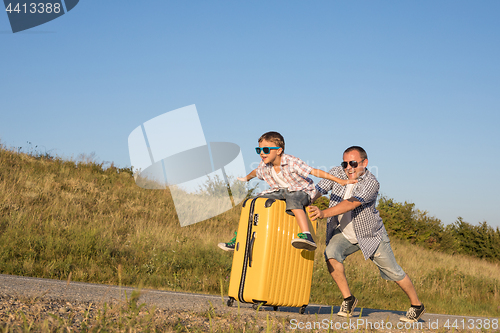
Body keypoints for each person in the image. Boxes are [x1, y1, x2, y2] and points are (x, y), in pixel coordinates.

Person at [307, 146, 425, 323]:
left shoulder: (371, 182)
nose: (348, 167)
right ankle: (349, 300)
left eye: (353, 163)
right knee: (330, 254)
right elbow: (317, 190)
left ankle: (417, 305)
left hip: (370, 235)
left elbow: (351, 203)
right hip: (345, 233)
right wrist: (303, 201)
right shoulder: (336, 172)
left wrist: (323, 213)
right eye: (345, 163)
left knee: (393, 271)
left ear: (365, 163)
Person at [218, 131, 356, 252]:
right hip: (281, 191)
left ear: (278, 150)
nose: (261, 153)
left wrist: (340, 181)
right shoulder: (264, 165)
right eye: (258, 150)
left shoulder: (291, 161)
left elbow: (314, 171)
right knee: (252, 202)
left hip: (303, 191)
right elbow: (256, 172)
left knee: (293, 198)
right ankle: (239, 238)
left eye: (265, 150)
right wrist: (246, 178)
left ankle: (307, 235)